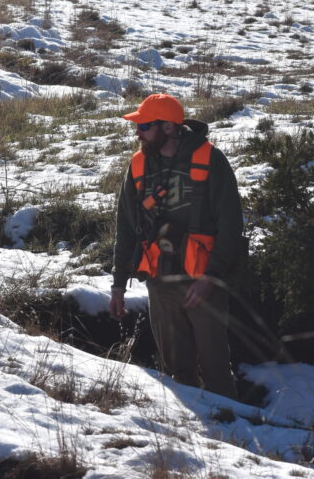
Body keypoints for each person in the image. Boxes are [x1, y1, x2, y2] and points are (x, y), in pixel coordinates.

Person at [109, 93, 244, 399]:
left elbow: (231, 226)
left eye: (144, 125)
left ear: (168, 127)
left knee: (216, 372)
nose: (137, 132)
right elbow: (126, 227)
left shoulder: (211, 159)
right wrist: (118, 285)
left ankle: (232, 436)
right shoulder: (138, 164)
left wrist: (210, 278)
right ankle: (192, 437)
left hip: (204, 282)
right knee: (178, 373)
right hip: (160, 283)